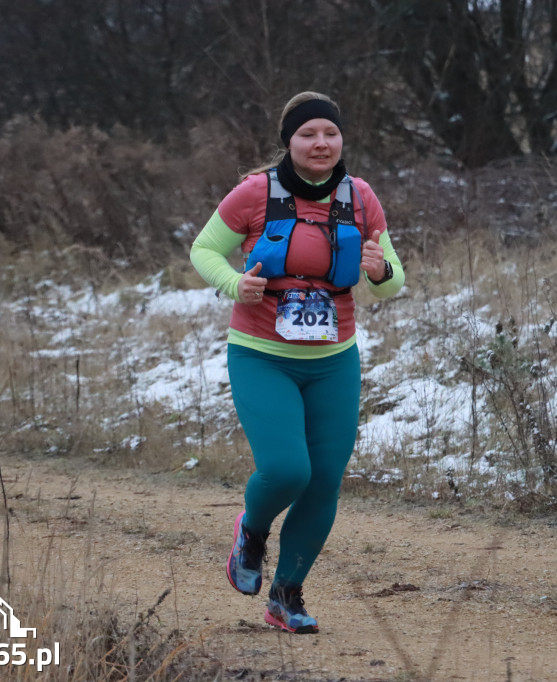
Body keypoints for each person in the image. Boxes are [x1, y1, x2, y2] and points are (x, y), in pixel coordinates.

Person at [189, 91, 404, 634]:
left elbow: (392, 282)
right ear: (289, 140)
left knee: (324, 481)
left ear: (341, 140)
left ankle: (286, 595)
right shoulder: (255, 192)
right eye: (308, 134)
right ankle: (252, 531)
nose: (320, 143)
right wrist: (236, 284)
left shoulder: (361, 197)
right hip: (262, 355)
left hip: (334, 360)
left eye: (329, 134)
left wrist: (379, 272)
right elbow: (204, 250)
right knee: (288, 470)